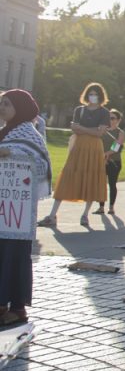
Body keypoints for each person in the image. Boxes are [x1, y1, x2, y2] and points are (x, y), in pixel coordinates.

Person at [0, 89, 51, 326]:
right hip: (3, 207)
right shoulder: (5, 131)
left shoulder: (29, 133)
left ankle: (17, 307)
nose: (2, 108)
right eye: (1, 103)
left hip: (18, 213)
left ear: (20, 107)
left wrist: (9, 153)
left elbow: (40, 166)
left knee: (15, 255)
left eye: (7, 104)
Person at [38, 82, 111, 229]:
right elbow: (75, 129)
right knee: (67, 175)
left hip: (94, 147)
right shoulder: (80, 110)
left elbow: (99, 133)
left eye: (96, 94)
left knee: (91, 177)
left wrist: (82, 128)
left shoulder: (104, 112)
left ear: (101, 96)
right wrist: (88, 130)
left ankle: (85, 215)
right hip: (78, 146)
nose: (93, 96)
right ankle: (52, 215)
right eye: (91, 93)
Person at [95, 108, 125, 217]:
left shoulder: (120, 132)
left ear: (118, 120)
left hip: (114, 161)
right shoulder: (102, 130)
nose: (110, 120)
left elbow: (117, 146)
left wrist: (107, 153)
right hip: (101, 161)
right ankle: (101, 207)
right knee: (101, 184)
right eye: (109, 118)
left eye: (113, 118)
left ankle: (111, 207)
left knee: (112, 184)